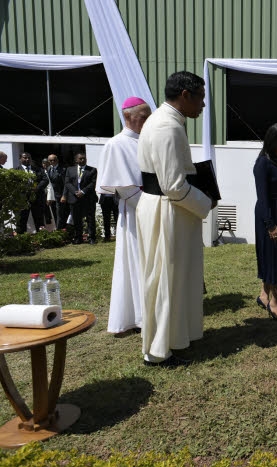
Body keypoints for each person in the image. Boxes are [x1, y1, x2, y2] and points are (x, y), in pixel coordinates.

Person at [136, 71, 214, 367]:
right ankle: (158, 350)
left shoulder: (161, 121)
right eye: (201, 99)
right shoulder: (167, 127)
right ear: (185, 95)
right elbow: (173, 185)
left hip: (165, 207)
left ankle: (175, 337)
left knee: (175, 278)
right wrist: (205, 201)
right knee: (166, 279)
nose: (202, 106)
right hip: (166, 210)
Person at [98, 96, 152, 336]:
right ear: (128, 117)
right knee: (135, 264)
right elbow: (122, 186)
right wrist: (149, 206)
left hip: (153, 208)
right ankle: (137, 317)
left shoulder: (148, 141)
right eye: (144, 117)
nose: (147, 121)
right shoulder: (116, 144)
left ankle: (150, 312)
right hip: (134, 213)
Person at [254, 123, 277, 321]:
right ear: (273, 142)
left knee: (275, 256)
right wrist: (270, 224)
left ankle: (263, 295)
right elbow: (263, 197)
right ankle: (274, 302)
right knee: (274, 258)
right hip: (268, 214)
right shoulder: (263, 163)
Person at [63, 153, 98, 244]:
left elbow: (93, 183)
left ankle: (92, 238)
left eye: (84, 158)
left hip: (88, 198)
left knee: (90, 218)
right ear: (76, 160)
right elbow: (67, 183)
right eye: (80, 159)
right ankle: (78, 238)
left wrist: (83, 192)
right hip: (74, 198)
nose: (82, 160)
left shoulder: (92, 170)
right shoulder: (70, 170)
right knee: (77, 219)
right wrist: (75, 192)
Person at [15, 152, 48, 234]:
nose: (27, 159)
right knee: (22, 220)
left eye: (29, 158)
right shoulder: (16, 171)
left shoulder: (38, 169)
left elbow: (45, 180)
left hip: (37, 198)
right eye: (25, 157)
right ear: (20, 159)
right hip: (23, 200)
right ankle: (21, 238)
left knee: (39, 220)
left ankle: (41, 237)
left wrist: (37, 188)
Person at [46, 154, 68, 229]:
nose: (52, 162)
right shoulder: (47, 169)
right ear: (48, 161)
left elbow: (66, 184)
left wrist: (64, 195)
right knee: (52, 213)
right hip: (50, 196)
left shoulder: (63, 169)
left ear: (57, 160)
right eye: (50, 160)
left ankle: (60, 230)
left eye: (54, 160)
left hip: (60, 195)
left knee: (60, 214)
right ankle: (54, 229)